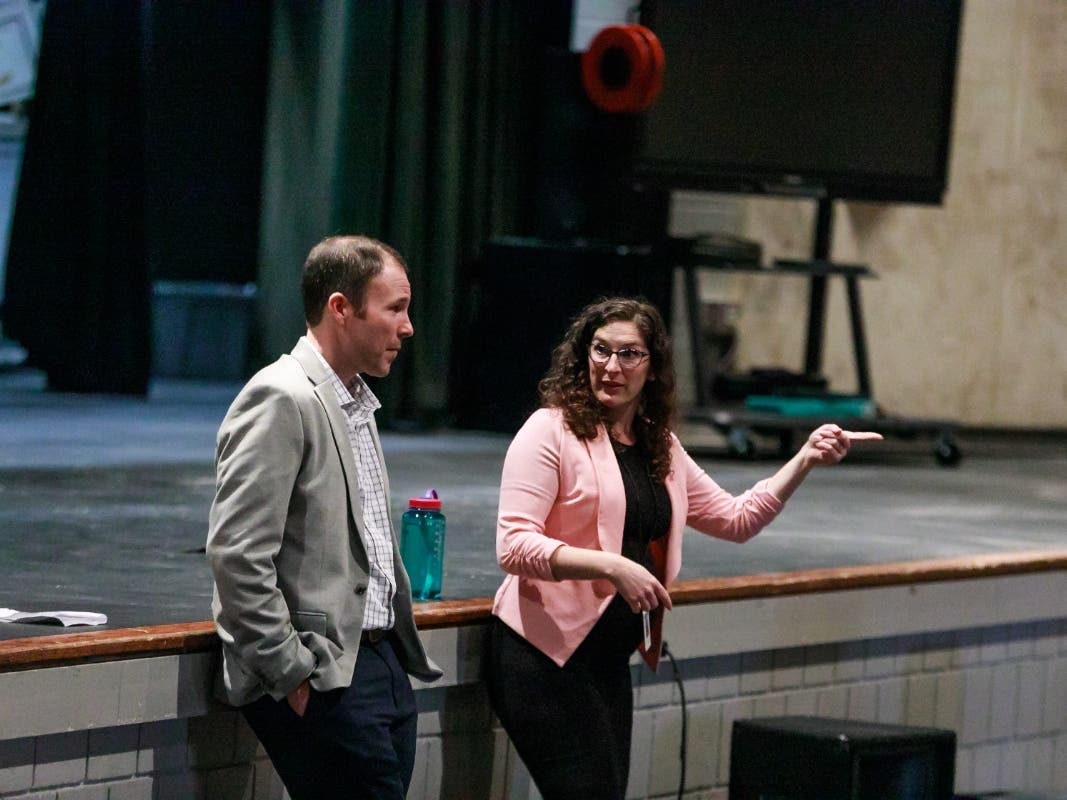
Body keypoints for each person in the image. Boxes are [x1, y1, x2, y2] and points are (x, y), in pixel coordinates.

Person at [485, 297, 881, 800]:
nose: (611, 366)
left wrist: (803, 458)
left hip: (604, 660)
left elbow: (736, 519)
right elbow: (514, 546)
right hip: (541, 657)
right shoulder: (551, 430)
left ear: (652, 368)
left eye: (629, 354)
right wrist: (614, 567)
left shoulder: (659, 445)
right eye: (600, 350)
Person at [206, 235, 442, 800]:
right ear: (341, 308)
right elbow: (238, 553)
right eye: (395, 308)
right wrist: (289, 673)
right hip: (322, 671)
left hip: (378, 659)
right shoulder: (283, 397)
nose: (407, 328)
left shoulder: (354, 400)